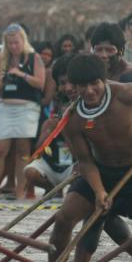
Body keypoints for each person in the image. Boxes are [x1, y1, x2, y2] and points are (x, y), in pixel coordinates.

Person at [47, 54, 132, 262]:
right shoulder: (72, 118)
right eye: (83, 86)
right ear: (75, 87)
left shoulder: (126, 93)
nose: (90, 91)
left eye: (95, 83)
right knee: (64, 218)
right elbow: (85, 161)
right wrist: (98, 191)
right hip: (102, 173)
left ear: (103, 80)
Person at [0, 23, 45, 199]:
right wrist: (4, 80)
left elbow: (40, 84)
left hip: (27, 107)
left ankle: (20, 191)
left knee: (22, 150)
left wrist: (21, 74)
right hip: (6, 107)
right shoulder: (1, 59)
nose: (13, 46)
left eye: (16, 42)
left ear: (23, 41)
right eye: (10, 43)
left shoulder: (34, 58)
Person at [24, 54, 76, 193]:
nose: (68, 88)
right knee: (29, 172)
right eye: (63, 83)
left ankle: (76, 192)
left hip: (76, 163)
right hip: (54, 161)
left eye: (71, 82)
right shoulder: (58, 107)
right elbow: (38, 149)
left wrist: (64, 128)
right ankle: (53, 189)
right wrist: (48, 131)